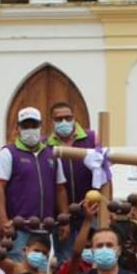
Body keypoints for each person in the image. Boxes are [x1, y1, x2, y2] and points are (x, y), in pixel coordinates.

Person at [0, 107, 70, 259]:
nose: (30, 129)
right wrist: (2, 220)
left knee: (43, 273)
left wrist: (65, 220)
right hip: (19, 229)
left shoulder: (51, 153)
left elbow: (60, 189)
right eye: (25, 126)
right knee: (19, 272)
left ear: (40, 126)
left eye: (34, 125)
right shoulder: (8, 153)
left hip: (47, 228)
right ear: (18, 127)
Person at [48, 101, 109, 261]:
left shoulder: (91, 138)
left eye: (68, 118)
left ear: (74, 118)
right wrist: (64, 217)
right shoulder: (46, 144)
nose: (64, 122)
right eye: (59, 119)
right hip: (61, 215)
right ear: (51, 121)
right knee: (67, 260)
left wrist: (106, 209)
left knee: (95, 257)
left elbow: (105, 173)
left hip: (92, 210)